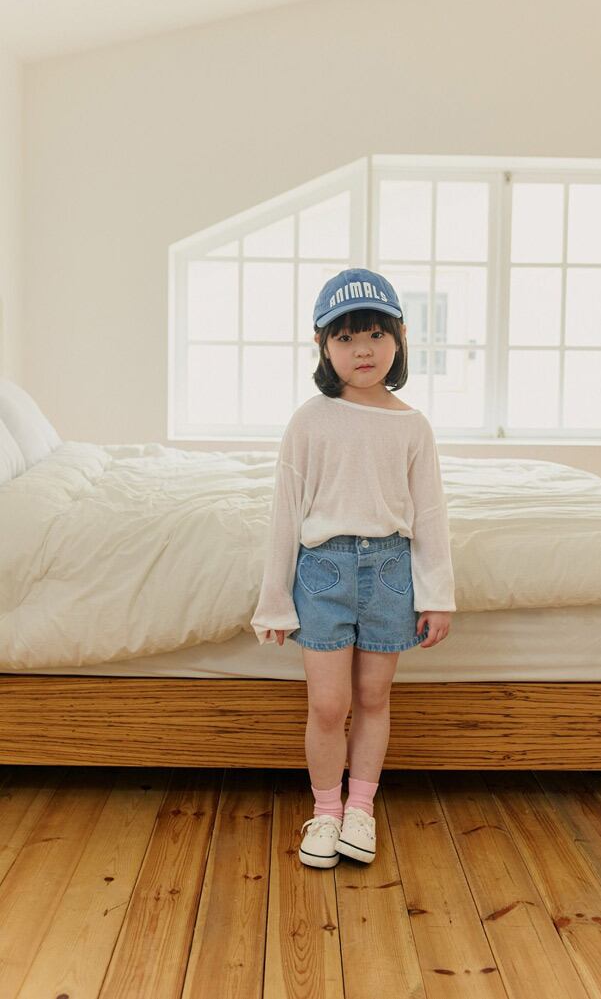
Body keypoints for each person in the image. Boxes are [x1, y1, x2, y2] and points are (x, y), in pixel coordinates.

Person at [250, 267, 456, 869]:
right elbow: (286, 511)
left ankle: (360, 809)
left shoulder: (412, 426)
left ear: (400, 338)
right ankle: (326, 811)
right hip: (323, 573)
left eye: (375, 334)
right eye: (345, 338)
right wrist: (274, 601)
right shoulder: (311, 419)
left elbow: (431, 513)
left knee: (373, 695)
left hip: (391, 572)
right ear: (322, 345)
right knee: (327, 704)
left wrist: (437, 594)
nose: (362, 350)